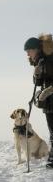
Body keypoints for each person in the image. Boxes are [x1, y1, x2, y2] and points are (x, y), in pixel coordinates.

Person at [24, 34, 53, 168]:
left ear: (36, 49)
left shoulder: (49, 59)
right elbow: (40, 81)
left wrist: (49, 90)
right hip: (48, 101)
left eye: (29, 51)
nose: (28, 54)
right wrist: (36, 75)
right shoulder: (40, 61)